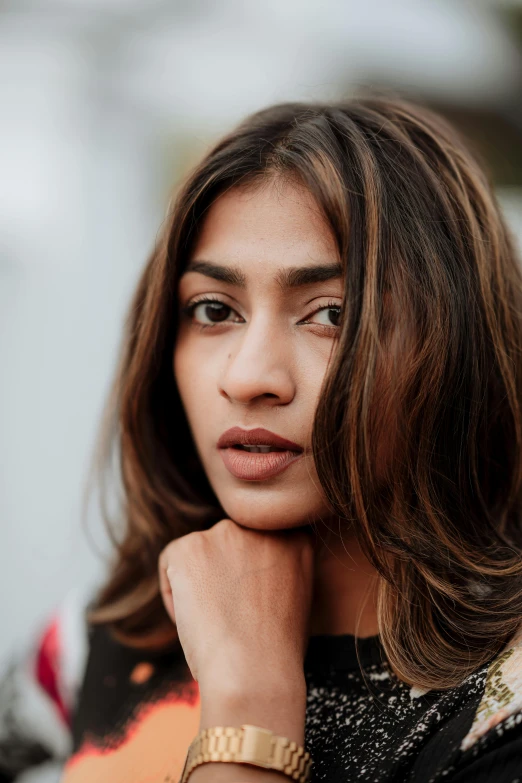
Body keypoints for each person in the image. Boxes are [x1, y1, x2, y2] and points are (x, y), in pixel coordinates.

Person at [1, 95, 522, 783]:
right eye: (214, 310)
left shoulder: (500, 711)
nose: (249, 377)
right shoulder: (93, 642)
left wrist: (249, 705)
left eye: (330, 314)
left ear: (458, 344)